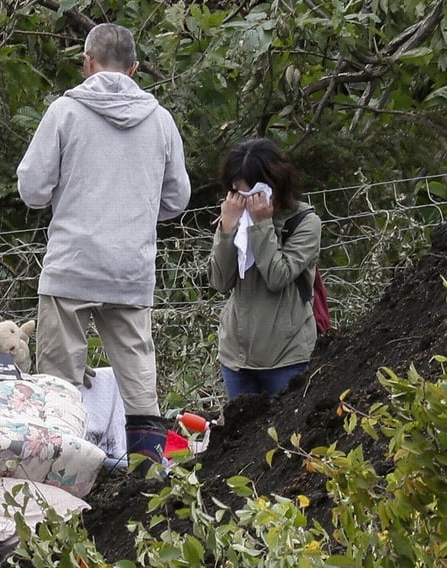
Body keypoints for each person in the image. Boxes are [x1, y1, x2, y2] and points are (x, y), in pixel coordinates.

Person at [16, 23, 191, 466]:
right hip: (129, 268)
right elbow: (177, 199)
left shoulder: (65, 112)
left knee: (58, 381)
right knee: (137, 374)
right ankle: (148, 476)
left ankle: (57, 479)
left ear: (87, 63)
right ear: (134, 68)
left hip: (71, 264)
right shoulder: (160, 120)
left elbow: (33, 189)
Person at [208, 138, 321, 401]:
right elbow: (220, 281)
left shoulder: (305, 223)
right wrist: (227, 230)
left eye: (252, 194)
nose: (245, 202)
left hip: (286, 357)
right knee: (240, 438)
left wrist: (262, 225)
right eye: (237, 194)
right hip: (236, 358)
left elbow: (277, 276)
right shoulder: (235, 218)